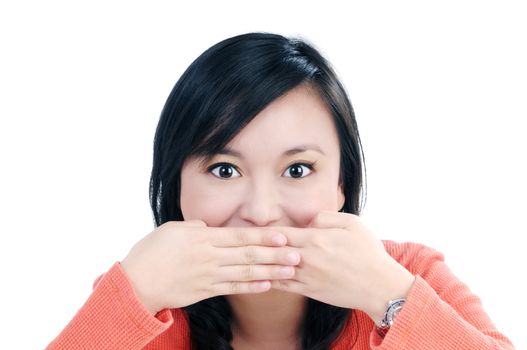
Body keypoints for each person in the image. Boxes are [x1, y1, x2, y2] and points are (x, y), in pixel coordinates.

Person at [46, 32, 515, 350]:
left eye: (297, 169)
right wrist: (133, 296)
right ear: (177, 188)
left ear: (341, 185)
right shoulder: (142, 296)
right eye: (225, 170)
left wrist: (389, 298)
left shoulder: (410, 275)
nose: (262, 212)